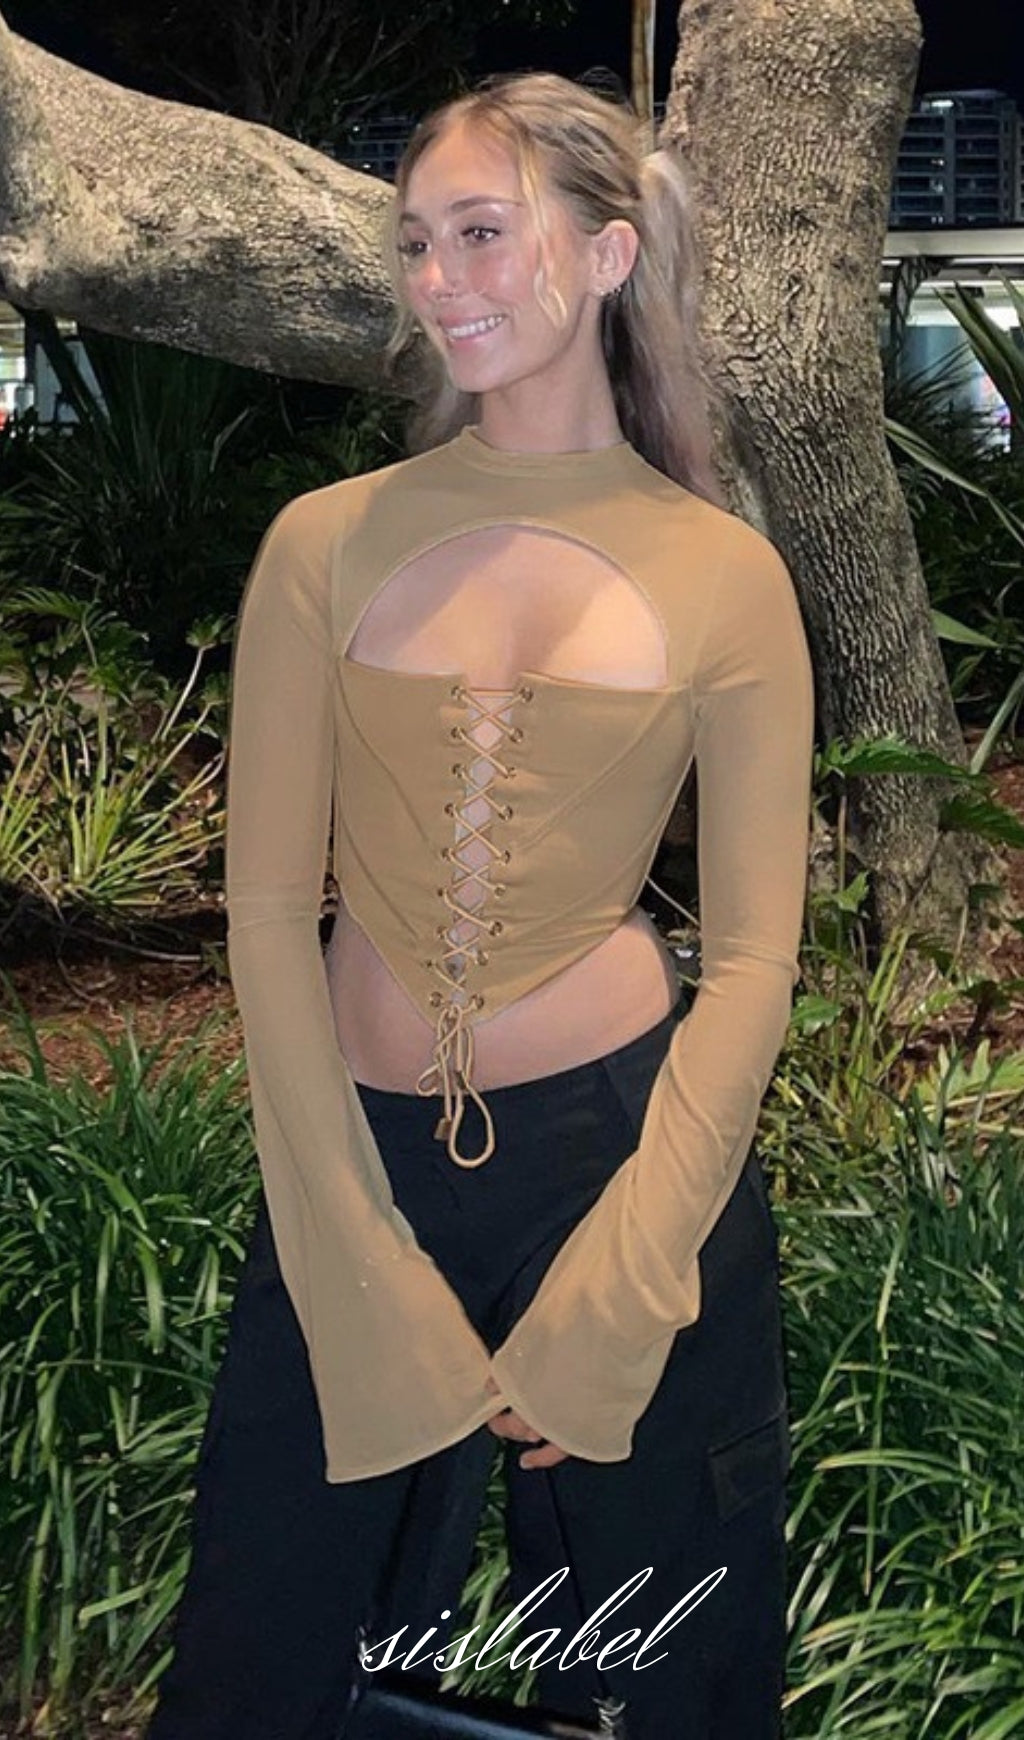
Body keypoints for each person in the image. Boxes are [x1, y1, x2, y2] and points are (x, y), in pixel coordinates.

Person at [145, 69, 815, 1740]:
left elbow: (752, 959)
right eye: (416, 243)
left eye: (482, 234)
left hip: (619, 1155)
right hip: (353, 1152)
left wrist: (625, 1281)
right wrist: (352, 1252)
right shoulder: (324, 543)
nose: (438, 280)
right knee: (270, 1653)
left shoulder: (725, 571)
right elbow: (262, 916)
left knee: (665, 1665)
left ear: (606, 253)